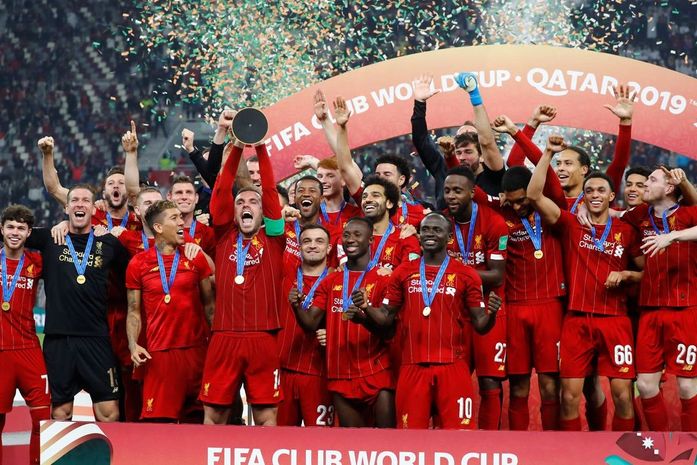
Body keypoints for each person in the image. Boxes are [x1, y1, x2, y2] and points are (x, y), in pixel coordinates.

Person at [527, 135, 644, 432]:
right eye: (589, 190)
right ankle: (572, 453)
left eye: (601, 190)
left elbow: (649, 273)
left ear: (611, 196)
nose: (594, 194)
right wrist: (548, 153)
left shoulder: (626, 231)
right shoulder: (570, 223)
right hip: (577, 320)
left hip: (616, 321)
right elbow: (534, 195)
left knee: (623, 396)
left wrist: (627, 275)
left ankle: (620, 452)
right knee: (569, 397)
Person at [365, 212, 502, 429]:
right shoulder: (402, 272)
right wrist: (366, 308)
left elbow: (480, 325)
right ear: (419, 236)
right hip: (413, 366)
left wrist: (492, 314)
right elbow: (385, 316)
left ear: (449, 237)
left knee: (460, 436)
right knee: (410, 438)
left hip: (453, 368)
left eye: (437, 230)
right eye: (425, 230)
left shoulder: (467, 275)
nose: (430, 234)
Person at [488, 114, 568, 431]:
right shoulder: (501, 212)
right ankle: (519, 448)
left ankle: (553, 447)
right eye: (513, 202)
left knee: (550, 385)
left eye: (523, 200)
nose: (519, 206)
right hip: (515, 307)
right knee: (518, 387)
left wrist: (522, 133)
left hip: (551, 306)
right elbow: (509, 166)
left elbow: (542, 173)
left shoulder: (552, 207)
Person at [24, 183, 129, 422]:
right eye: (74, 200)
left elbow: (132, 277)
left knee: (109, 412)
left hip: (96, 338)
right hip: (59, 340)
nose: (79, 204)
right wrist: (57, 225)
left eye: (85, 200)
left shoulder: (108, 243)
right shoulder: (51, 238)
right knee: (60, 412)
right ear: (66, 208)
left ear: (93, 209)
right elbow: (13, 232)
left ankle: (108, 449)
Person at [199, 137, 285, 426]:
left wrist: (260, 147)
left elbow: (269, 190)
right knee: (214, 414)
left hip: (263, 336)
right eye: (240, 202)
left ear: (263, 212)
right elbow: (221, 190)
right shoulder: (223, 235)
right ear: (233, 212)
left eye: (253, 202)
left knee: (266, 415)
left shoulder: (274, 237)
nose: (246, 205)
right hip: (224, 335)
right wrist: (236, 148)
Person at [293, 217, 395, 427]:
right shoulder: (330, 281)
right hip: (340, 372)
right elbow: (310, 324)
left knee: (386, 439)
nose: (350, 239)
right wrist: (296, 305)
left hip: (376, 370)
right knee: (353, 441)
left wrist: (364, 317)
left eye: (357, 235)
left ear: (370, 240)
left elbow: (389, 330)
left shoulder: (385, 279)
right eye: (346, 235)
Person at [622, 167, 697, 431]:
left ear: (669, 188)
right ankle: (662, 445)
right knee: (645, 385)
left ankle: (691, 447)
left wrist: (673, 236)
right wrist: (586, 210)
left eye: (651, 180)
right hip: (650, 310)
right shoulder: (640, 215)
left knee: (687, 386)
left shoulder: (688, 213)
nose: (644, 185)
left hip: (685, 310)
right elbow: (614, 216)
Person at [125, 200, 214, 422]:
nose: (181, 221)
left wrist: (216, 346)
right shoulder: (138, 263)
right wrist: (133, 344)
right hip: (160, 355)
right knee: (159, 425)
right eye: (174, 218)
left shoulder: (194, 257)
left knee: (199, 423)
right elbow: (134, 311)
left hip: (196, 353)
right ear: (158, 227)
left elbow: (210, 306)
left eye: (180, 217)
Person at [443, 165, 508, 430]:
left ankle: (490, 442)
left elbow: (497, 276)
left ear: (472, 192)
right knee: (451, 378)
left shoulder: (494, 223)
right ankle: (454, 439)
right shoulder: (441, 224)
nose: (451, 196)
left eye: (458, 191)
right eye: (447, 190)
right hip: (454, 313)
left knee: (490, 381)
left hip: (488, 309)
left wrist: (458, 272)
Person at [0, 205, 50, 465]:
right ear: (1, 229)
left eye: (21, 228)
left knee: (43, 419)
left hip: (30, 350)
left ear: (29, 233)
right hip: (1, 353)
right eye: (10, 227)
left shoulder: (37, 262)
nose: (15, 232)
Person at [410, 74, 506, 205]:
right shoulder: (443, 169)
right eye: (458, 150)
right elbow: (421, 141)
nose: (462, 157)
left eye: (468, 150)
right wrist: (420, 104)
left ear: (481, 153)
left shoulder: (493, 175)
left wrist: (474, 95)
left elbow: (487, 142)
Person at [277, 224, 334, 426]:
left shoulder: (337, 281)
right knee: (277, 437)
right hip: (283, 369)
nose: (312, 246)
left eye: (319, 241)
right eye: (307, 241)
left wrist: (332, 333)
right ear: (299, 247)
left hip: (318, 373)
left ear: (329, 248)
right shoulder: (285, 274)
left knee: (321, 439)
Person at [554, 85, 635, 213]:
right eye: (558, 163)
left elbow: (619, 164)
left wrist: (625, 122)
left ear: (584, 169)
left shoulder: (599, 196)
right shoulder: (548, 199)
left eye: (568, 163)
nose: (561, 168)